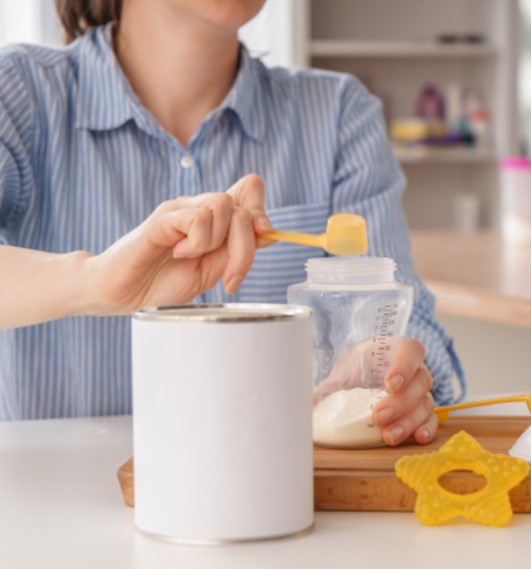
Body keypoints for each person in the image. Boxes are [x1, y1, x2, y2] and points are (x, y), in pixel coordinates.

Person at [0, 0, 464, 445]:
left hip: (273, 501)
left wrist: (400, 373)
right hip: (52, 509)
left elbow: (412, 325)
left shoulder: (340, 114)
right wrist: (96, 284)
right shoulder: (19, 92)